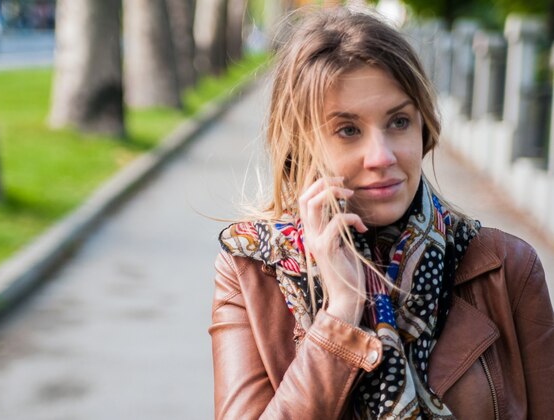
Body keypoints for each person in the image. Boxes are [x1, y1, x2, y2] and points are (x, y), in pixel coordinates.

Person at [209, 6, 554, 419]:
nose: (382, 156)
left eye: (399, 121)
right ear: (302, 145)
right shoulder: (250, 271)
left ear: (424, 126)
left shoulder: (506, 269)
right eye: (348, 130)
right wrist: (340, 313)